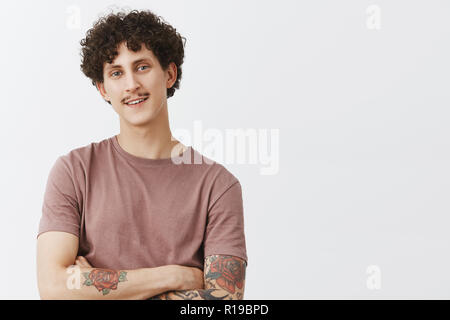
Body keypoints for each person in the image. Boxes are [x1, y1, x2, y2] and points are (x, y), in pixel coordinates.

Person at [36, 9, 247, 300]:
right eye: (116, 72)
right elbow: (53, 288)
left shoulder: (218, 186)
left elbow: (223, 302)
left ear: (169, 74)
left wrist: (94, 290)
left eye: (142, 67)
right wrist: (175, 276)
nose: (131, 84)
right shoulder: (74, 171)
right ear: (103, 89)